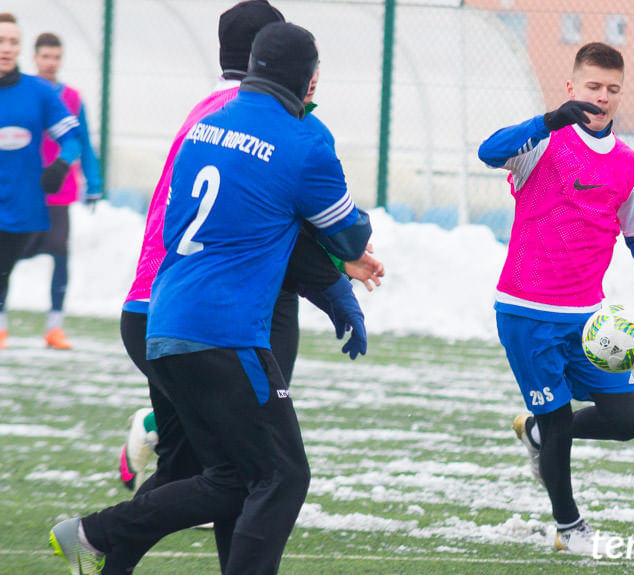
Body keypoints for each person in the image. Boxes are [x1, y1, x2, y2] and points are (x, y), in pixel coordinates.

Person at [50, 20, 372, 575]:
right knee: (283, 475)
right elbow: (349, 236)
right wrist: (340, 271)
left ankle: (95, 538)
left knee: (230, 479)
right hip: (226, 332)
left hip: (166, 320)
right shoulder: (303, 141)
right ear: (309, 80)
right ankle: (96, 531)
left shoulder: (207, 126)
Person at [117, 43, 385, 495]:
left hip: (167, 300)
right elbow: (301, 218)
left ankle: (104, 539)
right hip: (219, 311)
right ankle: (102, 533)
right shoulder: (280, 126)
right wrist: (339, 267)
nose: (313, 75)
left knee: (217, 466)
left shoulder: (209, 116)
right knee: (266, 467)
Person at [477, 42, 634, 553]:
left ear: (621, 95)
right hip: (526, 313)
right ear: (572, 88)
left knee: (626, 420)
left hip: (588, 320)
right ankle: (570, 528)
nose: (602, 97)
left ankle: (536, 434)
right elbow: (488, 151)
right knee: (558, 423)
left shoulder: (629, 164)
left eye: (612, 89)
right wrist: (547, 120)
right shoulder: (542, 142)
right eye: (593, 87)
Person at [17, 32, 103, 350]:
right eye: (45, 57)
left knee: (60, 252)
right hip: (22, 189)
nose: (51, 63)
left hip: (59, 191)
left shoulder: (72, 98)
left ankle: (55, 326)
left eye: (56, 57)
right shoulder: (21, 92)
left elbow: (83, 142)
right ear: (35, 58)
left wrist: (93, 183)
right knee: (9, 254)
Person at [0, 13, 81, 350]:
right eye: (1, 41)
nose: (6, 48)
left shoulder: (39, 93)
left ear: (21, 48)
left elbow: (74, 138)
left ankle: (51, 325)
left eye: (13, 42)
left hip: (22, 206)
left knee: (7, 268)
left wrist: (61, 166)